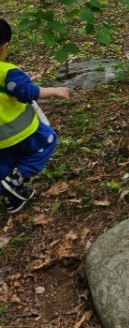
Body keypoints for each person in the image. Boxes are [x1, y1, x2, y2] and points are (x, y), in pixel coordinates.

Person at [0, 18, 70, 214]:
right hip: (20, 130)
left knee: (5, 164)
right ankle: (19, 177)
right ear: (5, 46)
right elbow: (26, 92)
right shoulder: (7, 72)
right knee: (48, 141)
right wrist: (54, 90)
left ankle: (12, 198)